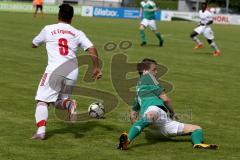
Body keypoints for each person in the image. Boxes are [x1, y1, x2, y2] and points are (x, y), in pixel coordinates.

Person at [31, 4, 102, 140]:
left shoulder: (48, 29)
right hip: (72, 71)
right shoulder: (77, 33)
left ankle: (41, 131)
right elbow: (92, 48)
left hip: (55, 69)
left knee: (42, 101)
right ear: (72, 18)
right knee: (59, 102)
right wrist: (96, 67)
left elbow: (34, 43)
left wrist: (37, 43)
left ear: (59, 16)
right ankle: (70, 104)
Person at [118, 58, 218, 150]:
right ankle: (128, 141)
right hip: (156, 115)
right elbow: (165, 99)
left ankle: (197, 144)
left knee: (196, 128)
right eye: (154, 69)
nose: (156, 72)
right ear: (145, 71)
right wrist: (173, 113)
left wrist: (137, 126)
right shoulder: (149, 78)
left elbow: (132, 114)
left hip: (160, 123)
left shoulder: (139, 92)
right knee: (152, 113)